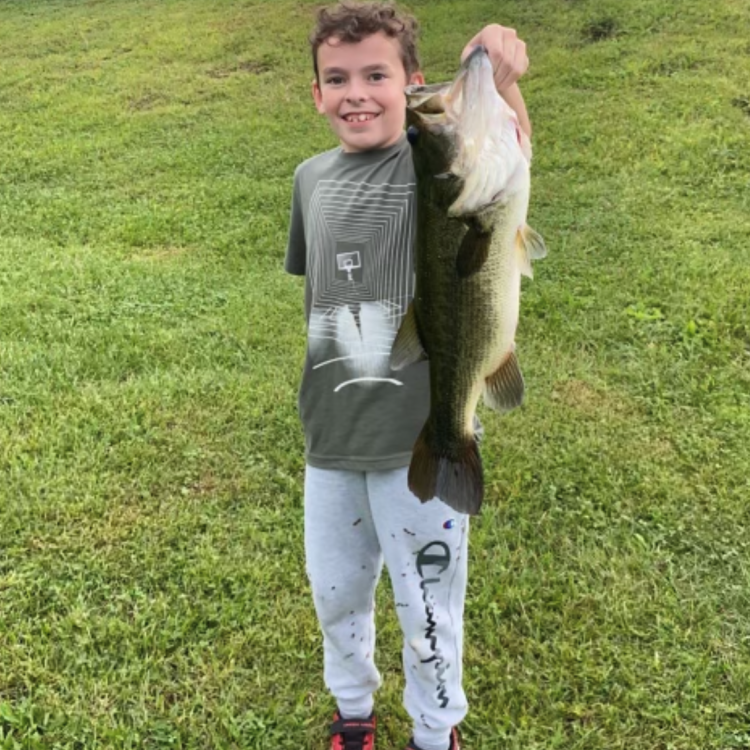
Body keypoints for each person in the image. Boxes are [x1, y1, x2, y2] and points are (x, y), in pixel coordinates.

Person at [284, 3, 531, 748]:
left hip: (416, 437)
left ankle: (436, 728)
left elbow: (501, 145)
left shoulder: (429, 161)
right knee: (337, 596)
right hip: (328, 442)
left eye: (377, 75)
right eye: (337, 78)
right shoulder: (309, 179)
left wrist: (495, 66)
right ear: (318, 94)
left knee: (427, 605)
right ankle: (353, 711)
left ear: (412, 84)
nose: (357, 92)